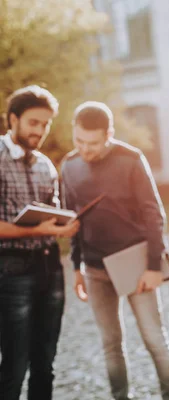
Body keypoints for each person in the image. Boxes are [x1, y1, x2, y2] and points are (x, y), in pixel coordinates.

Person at [60, 102, 169, 399]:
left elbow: (153, 213)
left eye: (93, 143)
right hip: (95, 270)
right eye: (79, 141)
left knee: (154, 338)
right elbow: (72, 221)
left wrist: (154, 266)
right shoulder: (69, 165)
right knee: (110, 344)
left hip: (137, 265)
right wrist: (77, 269)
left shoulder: (131, 159)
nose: (85, 149)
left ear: (108, 135)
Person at [0, 85, 80, 400]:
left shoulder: (46, 165)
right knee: (14, 366)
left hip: (50, 269)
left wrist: (65, 225)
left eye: (45, 124)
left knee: (45, 363)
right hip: (10, 272)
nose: (40, 131)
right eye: (34, 122)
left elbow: (53, 217)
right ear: (13, 120)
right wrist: (38, 230)